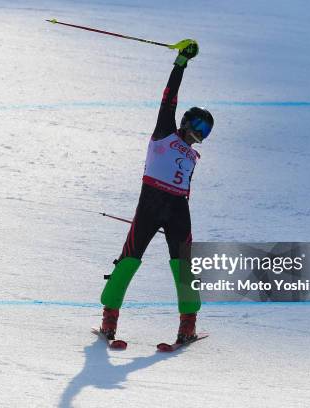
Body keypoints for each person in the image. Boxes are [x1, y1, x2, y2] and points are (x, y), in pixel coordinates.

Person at [99, 39, 214, 344]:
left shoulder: (193, 155)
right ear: (187, 121)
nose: (200, 134)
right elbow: (169, 98)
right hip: (151, 202)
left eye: (206, 131)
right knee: (129, 258)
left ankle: (187, 324)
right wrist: (180, 63)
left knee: (184, 264)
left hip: (178, 208)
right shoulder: (164, 132)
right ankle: (109, 317)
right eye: (199, 125)